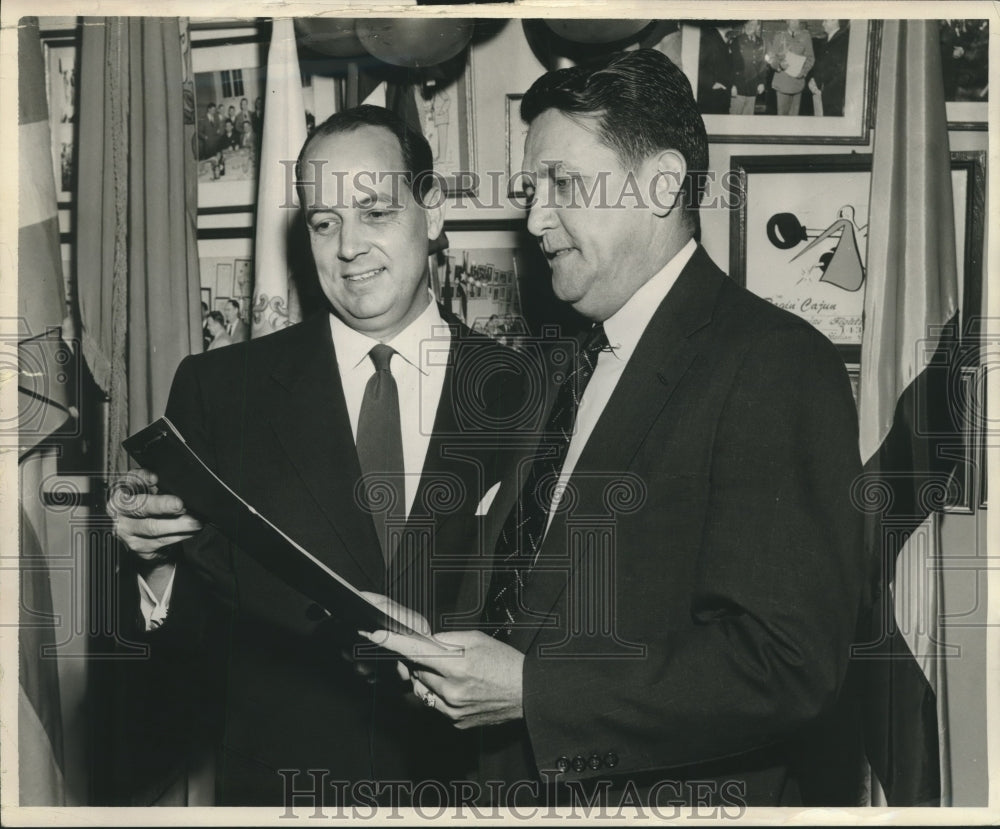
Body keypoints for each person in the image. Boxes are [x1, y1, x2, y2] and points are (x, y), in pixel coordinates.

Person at [366, 48, 867, 809]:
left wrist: (533, 690)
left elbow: (787, 663)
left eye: (562, 184)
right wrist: (444, 654)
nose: (534, 219)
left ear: (664, 183)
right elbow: (542, 591)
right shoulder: (564, 361)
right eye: (533, 190)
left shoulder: (774, 364)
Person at [107, 105, 527, 805]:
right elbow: (183, 657)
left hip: (469, 790)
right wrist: (154, 564)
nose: (348, 247)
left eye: (374, 212)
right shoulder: (220, 390)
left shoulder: (529, 395)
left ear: (434, 210)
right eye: (324, 222)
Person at [766, 19, 815, 115]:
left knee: (794, 118)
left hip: (797, 82)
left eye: (796, 21)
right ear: (787, 22)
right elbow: (772, 58)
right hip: (782, 83)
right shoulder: (779, 36)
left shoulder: (805, 37)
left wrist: (804, 71)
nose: (794, 23)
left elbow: (810, 58)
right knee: (782, 117)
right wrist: (779, 65)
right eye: (792, 21)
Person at [808, 20, 850, 117]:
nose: (823, 24)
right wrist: (814, 80)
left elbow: (838, 70)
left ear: (835, 21)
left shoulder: (843, 40)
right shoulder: (828, 40)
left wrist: (819, 85)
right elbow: (821, 65)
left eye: (826, 21)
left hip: (832, 95)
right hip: (821, 91)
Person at [729, 19, 767, 115]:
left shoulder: (760, 42)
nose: (750, 26)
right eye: (748, 24)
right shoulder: (736, 41)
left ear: (757, 27)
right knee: (734, 119)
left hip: (753, 88)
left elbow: (762, 64)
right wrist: (732, 85)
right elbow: (731, 65)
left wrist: (762, 82)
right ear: (744, 25)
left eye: (753, 24)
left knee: (748, 121)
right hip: (738, 87)